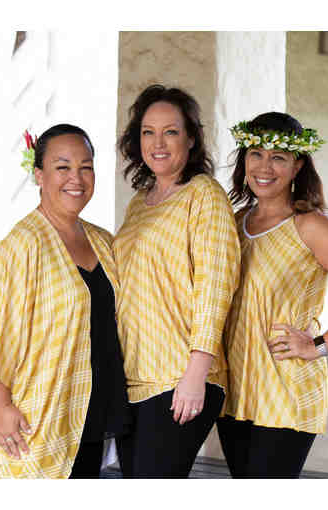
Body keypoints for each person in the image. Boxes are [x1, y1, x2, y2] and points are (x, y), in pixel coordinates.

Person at [217, 112, 328, 478]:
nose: (265, 167)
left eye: (278, 157)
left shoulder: (310, 226)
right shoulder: (234, 222)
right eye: (256, 154)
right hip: (235, 388)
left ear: (297, 166)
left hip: (286, 388)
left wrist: (318, 346)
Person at [0, 124, 131, 478]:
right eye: (63, 167)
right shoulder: (22, 245)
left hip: (91, 414)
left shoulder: (103, 241)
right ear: (39, 175)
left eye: (86, 167)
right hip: (37, 417)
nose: (76, 178)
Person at [112, 84, 240, 478]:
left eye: (171, 131)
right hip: (134, 377)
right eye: (148, 132)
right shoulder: (140, 202)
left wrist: (195, 374)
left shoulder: (204, 195)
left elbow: (215, 287)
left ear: (191, 138)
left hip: (178, 378)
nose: (158, 143)